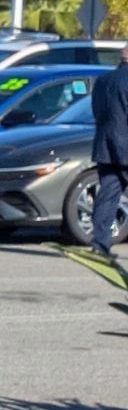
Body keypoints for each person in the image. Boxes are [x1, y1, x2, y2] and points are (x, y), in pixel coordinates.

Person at [65, 57, 128, 287]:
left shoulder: (102, 81)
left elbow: (98, 112)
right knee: (109, 195)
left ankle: (99, 245)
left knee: (108, 195)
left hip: (105, 146)